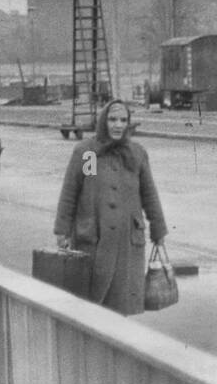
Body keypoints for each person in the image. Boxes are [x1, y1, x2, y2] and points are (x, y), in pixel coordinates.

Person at [53, 100, 168, 316]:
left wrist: (158, 229)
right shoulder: (89, 153)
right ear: (103, 120)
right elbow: (72, 192)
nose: (118, 125)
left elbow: (149, 194)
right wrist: (62, 230)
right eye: (113, 119)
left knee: (121, 305)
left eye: (123, 120)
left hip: (127, 243)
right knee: (92, 307)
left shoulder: (136, 154)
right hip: (93, 241)